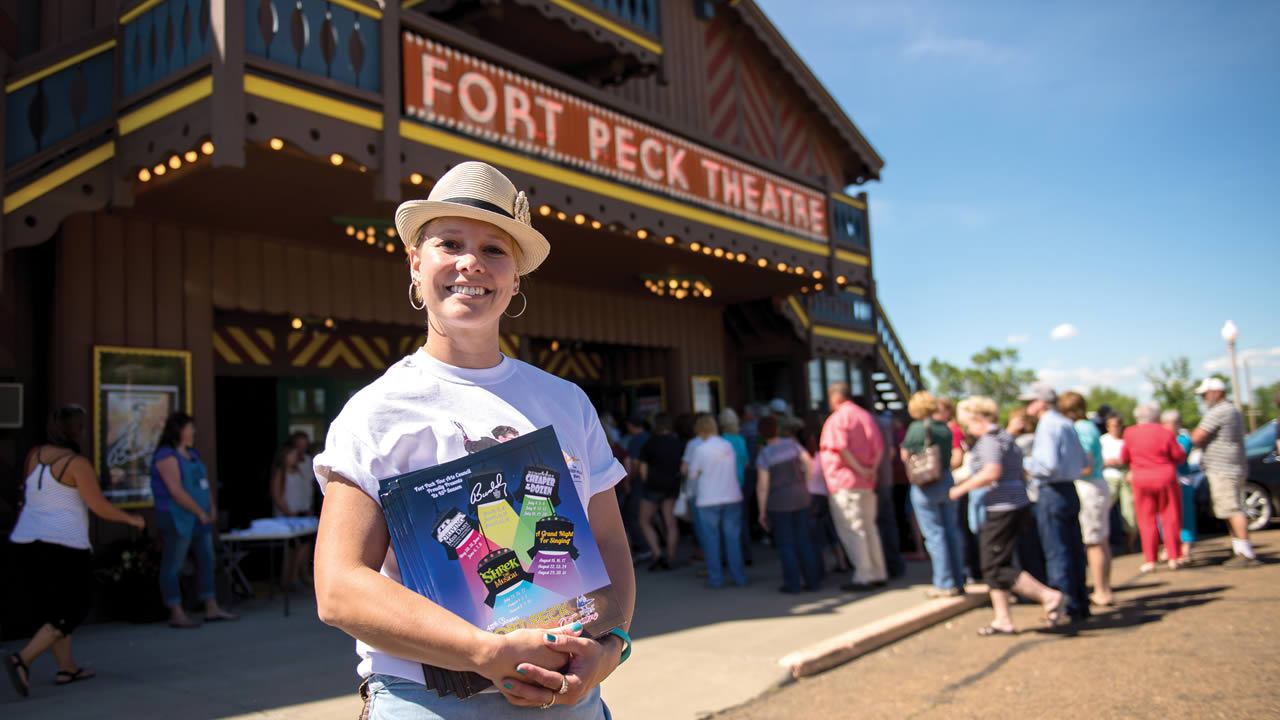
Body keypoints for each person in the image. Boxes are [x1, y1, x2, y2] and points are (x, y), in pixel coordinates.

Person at [311, 161, 634, 717]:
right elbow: (339, 588)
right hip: (431, 704)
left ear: (515, 277)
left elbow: (608, 550)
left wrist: (609, 649)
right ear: (415, 265)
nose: (471, 264)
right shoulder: (375, 413)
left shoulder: (567, 402)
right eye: (450, 243)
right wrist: (484, 652)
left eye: (494, 250)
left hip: (572, 702)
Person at [5, 406, 145, 697]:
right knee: (74, 607)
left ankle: (67, 668)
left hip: (28, 542)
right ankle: (23, 659)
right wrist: (130, 518)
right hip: (64, 544)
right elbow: (97, 505)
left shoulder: (34, 456)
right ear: (76, 430)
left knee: (57, 608)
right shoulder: (76, 463)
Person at [950, 396, 1066, 635]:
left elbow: (992, 471)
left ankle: (1048, 596)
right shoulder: (1005, 438)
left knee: (993, 566)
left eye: (968, 424)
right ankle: (1002, 618)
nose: (967, 429)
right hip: (1015, 504)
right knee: (996, 562)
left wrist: (960, 489)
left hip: (1003, 509)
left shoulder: (990, 442)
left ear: (979, 418)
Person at [151, 411, 238, 629]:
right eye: (190, 427)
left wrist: (211, 507)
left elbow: (203, 483)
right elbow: (176, 490)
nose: (193, 431)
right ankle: (176, 611)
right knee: (174, 565)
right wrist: (199, 511)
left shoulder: (193, 454)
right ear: (178, 430)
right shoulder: (165, 455)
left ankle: (211, 607)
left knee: (207, 560)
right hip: (178, 517)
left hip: (201, 517)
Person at [1021, 382, 1091, 621]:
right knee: (1073, 550)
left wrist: (1025, 463)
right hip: (1069, 489)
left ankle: (1062, 608)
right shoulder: (1066, 423)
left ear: (1041, 402)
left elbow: (1048, 464)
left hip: (1052, 491)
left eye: (1030, 401)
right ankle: (1079, 603)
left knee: (1057, 552)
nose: (1027, 406)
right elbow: (1082, 460)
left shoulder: (1048, 424)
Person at [820, 382, 888, 592]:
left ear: (834, 398)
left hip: (846, 482)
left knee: (853, 529)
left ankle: (863, 575)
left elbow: (841, 449)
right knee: (869, 527)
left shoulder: (838, 419)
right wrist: (871, 470)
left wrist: (859, 469)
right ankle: (878, 571)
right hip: (866, 481)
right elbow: (879, 448)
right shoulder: (866, 416)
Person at [900, 391, 965, 598]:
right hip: (946, 479)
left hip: (926, 482)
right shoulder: (944, 427)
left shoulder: (917, 427)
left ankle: (944, 583)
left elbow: (905, 455)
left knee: (934, 534)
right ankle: (958, 578)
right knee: (951, 532)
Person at [1191, 378, 1260, 568]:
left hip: (1223, 468)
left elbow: (1198, 436)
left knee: (1232, 509)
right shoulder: (1232, 410)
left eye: (1205, 394)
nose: (1204, 399)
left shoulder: (1220, 411)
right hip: (1232, 467)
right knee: (1231, 508)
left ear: (1216, 392)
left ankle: (1245, 552)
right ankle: (1239, 548)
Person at [1058, 392, 1113, 607]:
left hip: (1089, 486)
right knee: (1100, 540)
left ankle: (1101, 590)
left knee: (1093, 542)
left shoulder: (1081, 429)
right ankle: (1104, 588)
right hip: (1096, 485)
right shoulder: (1089, 427)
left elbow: (1086, 465)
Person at [755, 416, 821, 593]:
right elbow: (808, 463)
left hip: (778, 502)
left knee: (786, 545)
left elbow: (763, 485)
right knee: (804, 541)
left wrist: (761, 511)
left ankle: (793, 584)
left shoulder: (765, 455)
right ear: (778, 428)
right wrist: (804, 483)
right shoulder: (792, 445)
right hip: (801, 496)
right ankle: (812, 581)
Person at [1121, 402, 1187, 572]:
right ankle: (1173, 556)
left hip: (1141, 479)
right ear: (1157, 416)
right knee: (1170, 516)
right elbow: (1178, 456)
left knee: (1146, 519)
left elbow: (1124, 457)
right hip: (1165, 477)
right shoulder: (1165, 432)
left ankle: (1150, 559)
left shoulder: (1130, 433)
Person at [687, 414, 747, 588]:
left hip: (708, 499)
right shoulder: (727, 445)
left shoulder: (700, 449)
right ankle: (739, 577)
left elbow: (692, 474)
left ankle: (716, 579)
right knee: (732, 539)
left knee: (711, 541)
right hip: (731, 495)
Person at [638, 413, 682, 571]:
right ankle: (670, 558)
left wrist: (645, 483)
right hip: (672, 486)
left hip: (653, 487)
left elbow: (643, 468)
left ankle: (657, 554)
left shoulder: (651, 443)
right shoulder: (677, 443)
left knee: (644, 521)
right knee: (670, 523)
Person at [270, 442, 314, 589]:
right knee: (290, 549)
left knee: (303, 545)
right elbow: (276, 496)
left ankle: (298, 575)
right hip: (286, 517)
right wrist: (288, 512)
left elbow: (304, 492)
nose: (295, 457)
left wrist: (307, 509)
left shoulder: (300, 471)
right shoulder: (280, 473)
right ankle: (287, 579)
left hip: (300, 516)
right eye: (292, 455)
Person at [719, 407, 753, 565]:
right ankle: (746, 555)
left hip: (726, 486)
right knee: (742, 522)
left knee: (727, 526)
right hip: (741, 484)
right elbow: (746, 463)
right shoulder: (740, 439)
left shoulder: (722, 440)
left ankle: (729, 558)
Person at [1162, 410, 1198, 558]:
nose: (1168, 427)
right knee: (1167, 516)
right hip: (1167, 482)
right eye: (1165, 424)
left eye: (1171, 424)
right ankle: (1169, 546)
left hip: (1182, 482)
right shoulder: (1165, 439)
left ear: (1178, 424)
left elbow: (1178, 457)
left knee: (1186, 515)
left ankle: (1186, 546)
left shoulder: (1184, 440)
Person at [875, 410, 905, 579]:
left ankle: (888, 566)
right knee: (889, 522)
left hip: (877, 480)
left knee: (880, 525)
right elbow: (892, 453)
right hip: (888, 478)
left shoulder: (872, 425)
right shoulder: (886, 427)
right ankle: (895, 564)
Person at [1101, 414, 1136, 551]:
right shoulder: (1103, 440)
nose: (1115, 428)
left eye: (1117, 425)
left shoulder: (1126, 440)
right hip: (1109, 478)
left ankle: (1130, 545)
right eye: (1112, 426)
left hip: (1125, 477)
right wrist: (1107, 463)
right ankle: (1105, 543)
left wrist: (1123, 462)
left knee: (1130, 512)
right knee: (1105, 510)